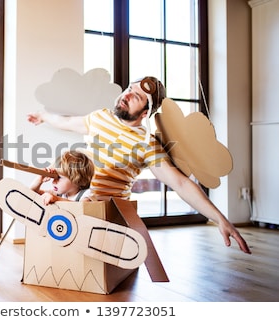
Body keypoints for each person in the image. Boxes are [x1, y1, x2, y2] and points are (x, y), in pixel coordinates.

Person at [27, 76, 251, 254]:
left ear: (145, 113)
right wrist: (42, 115)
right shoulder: (100, 118)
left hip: (104, 215)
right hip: (73, 204)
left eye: (137, 96)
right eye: (128, 89)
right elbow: (66, 122)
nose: (127, 95)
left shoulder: (146, 144)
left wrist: (219, 218)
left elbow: (180, 183)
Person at [30, 150, 95, 205]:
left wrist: (56, 199)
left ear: (77, 180)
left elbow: (80, 208)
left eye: (59, 177)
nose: (54, 181)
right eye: (54, 177)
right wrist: (39, 181)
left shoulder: (86, 195)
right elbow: (32, 193)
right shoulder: (59, 193)